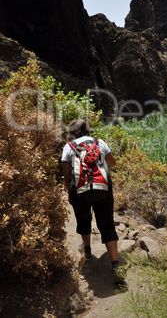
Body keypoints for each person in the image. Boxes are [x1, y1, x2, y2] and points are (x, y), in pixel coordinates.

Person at [61, 119, 123, 284]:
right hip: (103, 190)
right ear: (88, 130)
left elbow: (67, 176)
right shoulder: (99, 142)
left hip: (79, 192)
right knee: (107, 225)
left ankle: (87, 250)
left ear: (72, 132)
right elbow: (113, 162)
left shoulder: (68, 147)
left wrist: (70, 193)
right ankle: (116, 265)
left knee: (83, 219)